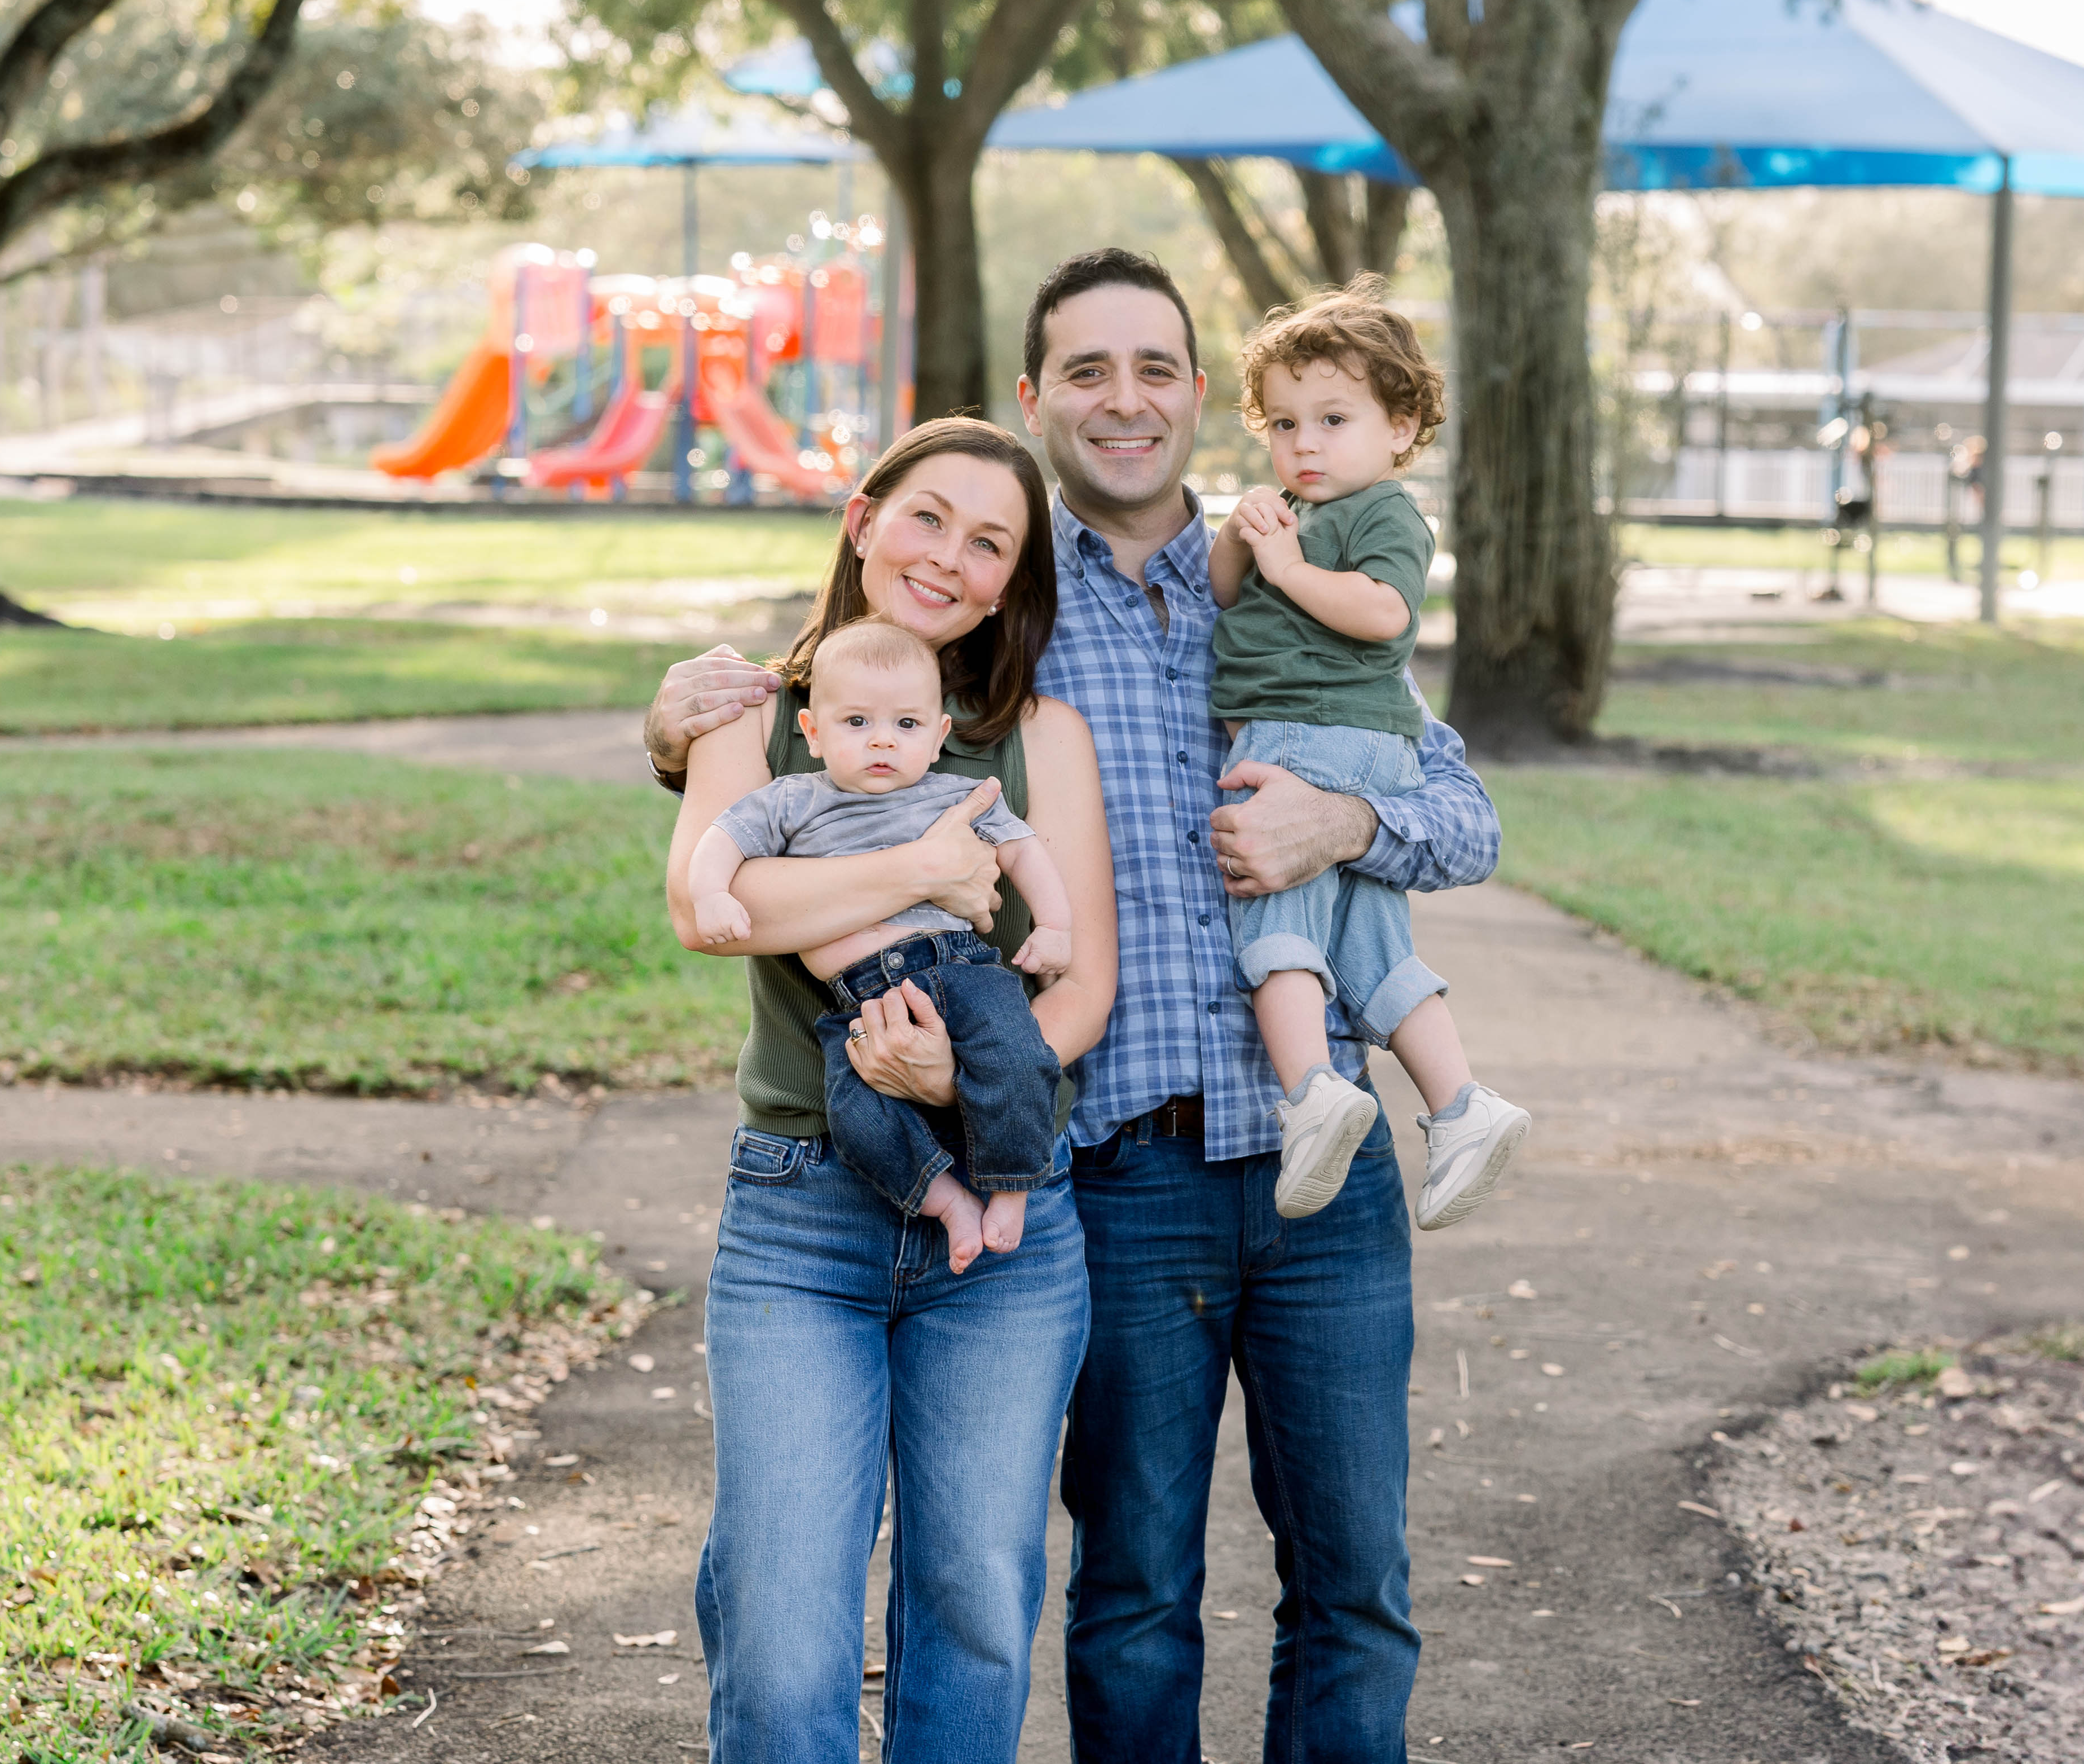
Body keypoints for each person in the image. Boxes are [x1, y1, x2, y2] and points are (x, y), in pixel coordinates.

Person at [648, 249, 1501, 1764]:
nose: (1126, 400)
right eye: (1087, 372)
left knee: (1355, 1588)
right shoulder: (1020, 629)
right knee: (1124, 1597)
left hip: (1325, 1149)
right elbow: (838, 719)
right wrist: (675, 731)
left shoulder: (1295, 580)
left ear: (1196, 393)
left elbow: (1464, 816)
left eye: (1157, 368)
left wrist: (1342, 829)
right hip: (1117, 1169)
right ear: (1037, 401)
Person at [661, 417, 1117, 1764]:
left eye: (992, 541)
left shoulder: (1042, 735)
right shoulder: (758, 713)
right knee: (789, 1617)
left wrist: (965, 1088)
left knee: (976, 1598)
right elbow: (715, 909)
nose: (951, 556)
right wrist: (925, 869)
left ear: (1012, 578)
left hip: (1009, 1221)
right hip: (804, 1211)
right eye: (930, 517)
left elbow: (1081, 985)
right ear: (863, 520)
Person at [1208, 281, 1531, 1226]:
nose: (1301, 443)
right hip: (1352, 744)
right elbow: (1224, 590)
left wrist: (1289, 567)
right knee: (1367, 944)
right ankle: (1462, 1103)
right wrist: (1241, 535)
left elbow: (1385, 615)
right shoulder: (1285, 509)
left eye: (1331, 419)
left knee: (1273, 918)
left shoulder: (1382, 512)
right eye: (1281, 422)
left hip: (1309, 734)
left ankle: (1310, 1087)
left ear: (1399, 428)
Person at [686, 614, 1077, 1270]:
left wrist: (1055, 925)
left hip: (962, 973)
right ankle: (947, 1200)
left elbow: (1024, 850)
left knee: (1018, 1057)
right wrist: (712, 894)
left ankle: (1011, 1186)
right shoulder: (794, 802)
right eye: (857, 723)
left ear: (939, 734)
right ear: (812, 732)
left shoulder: (955, 795)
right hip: (857, 1003)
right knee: (856, 1117)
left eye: (906, 725)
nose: (883, 743)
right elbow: (719, 840)